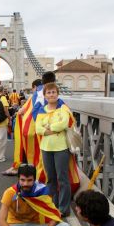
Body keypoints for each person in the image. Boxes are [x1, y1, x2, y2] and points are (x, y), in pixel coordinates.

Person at [0, 164, 72, 226]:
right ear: (18, 179)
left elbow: (55, 215)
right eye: (22, 180)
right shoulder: (10, 192)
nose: (25, 184)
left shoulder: (42, 191)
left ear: (34, 179)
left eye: (29, 180)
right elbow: (1, 221)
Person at [35, 82, 73, 217]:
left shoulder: (63, 108)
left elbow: (64, 123)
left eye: (53, 92)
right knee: (51, 178)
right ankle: (54, 205)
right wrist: (51, 129)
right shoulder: (41, 110)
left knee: (62, 179)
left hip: (61, 148)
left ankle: (64, 208)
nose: (51, 95)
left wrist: (48, 128)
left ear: (57, 94)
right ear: (44, 96)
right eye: (49, 93)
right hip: (46, 148)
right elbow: (37, 128)